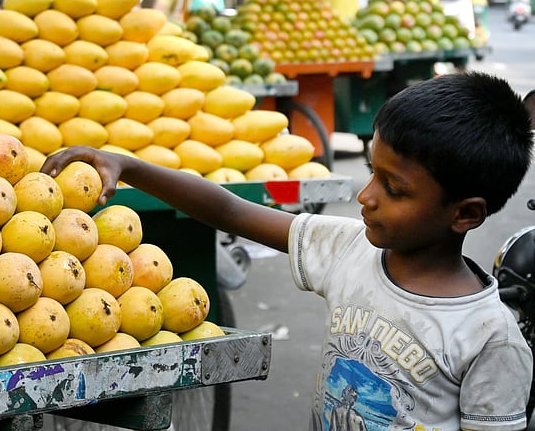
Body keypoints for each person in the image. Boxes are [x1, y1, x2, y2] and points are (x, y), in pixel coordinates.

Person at [41, 71, 534, 430]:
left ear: (466, 214)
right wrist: (127, 165)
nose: (366, 196)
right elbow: (231, 212)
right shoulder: (349, 249)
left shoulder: (491, 339)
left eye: (394, 188)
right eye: (370, 172)